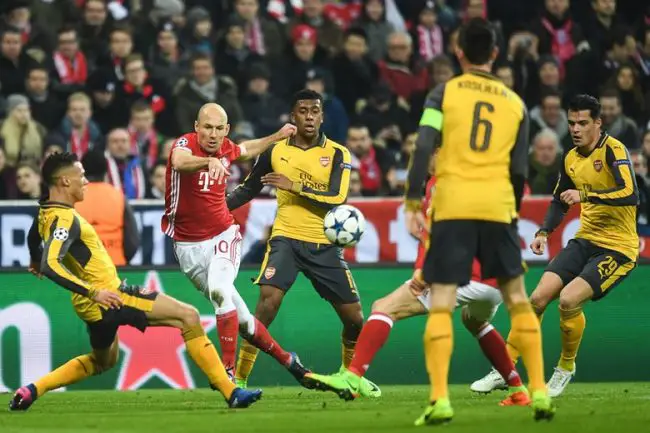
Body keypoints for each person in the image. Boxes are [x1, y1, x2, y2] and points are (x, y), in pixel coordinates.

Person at [10, 152, 262, 412]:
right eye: (81, 176)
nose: (85, 181)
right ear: (65, 181)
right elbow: (51, 264)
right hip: (109, 296)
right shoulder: (66, 219)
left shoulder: (47, 211)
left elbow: (34, 234)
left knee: (103, 361)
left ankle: (32, 390)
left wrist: (34, 258)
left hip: (89, 306)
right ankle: (231, 391)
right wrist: (93, 291)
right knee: (189, 317)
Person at [402, 18, 554, 425]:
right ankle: (540, 392)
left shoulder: (443, 92)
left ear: (459, 52)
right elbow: (519, 170)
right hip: (498, 205)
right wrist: (511, 211)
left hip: (454, 205)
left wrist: (413, 200)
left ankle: (440, 399)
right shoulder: (515, 103)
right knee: (518, 299)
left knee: (441, 303)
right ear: (495, 54)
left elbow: (424, 145)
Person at [302, 153, 530, 407]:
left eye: (425, 154)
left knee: (384, 308)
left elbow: (440, 232)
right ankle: (518, 389)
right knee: (474, 320)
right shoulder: (464, 179)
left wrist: (424, 271)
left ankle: (352, 378)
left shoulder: (443, 183)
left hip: (467, 273)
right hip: (497, 280)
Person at [227, 89, 380, 398]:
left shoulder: (338, 153)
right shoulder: (275, 151)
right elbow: (247, 189)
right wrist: (212, 209)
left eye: (315, 111)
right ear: (292, 117)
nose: (309, 116)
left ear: (322, 116)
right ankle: (238, 380)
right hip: (286, 239)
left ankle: (348, 376)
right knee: (266, 304)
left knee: (354, 319)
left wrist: (294, 185)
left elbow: (337, 197)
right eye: (303, 111)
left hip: (324, 244)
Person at [493, 94, 638, 398]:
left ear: (598, 123)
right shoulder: (570, 157)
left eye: (583, 123)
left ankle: (565, 367)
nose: (575, 129)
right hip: (585, 239)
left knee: (569, 300)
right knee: (536, 298)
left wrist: (586, 196)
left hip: (618, 248)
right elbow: (560, 200)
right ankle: (504, 369)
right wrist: (544, 232)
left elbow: (630, 193)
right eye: (571, 123)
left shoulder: (614, 150)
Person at [163, 103, 310, 384]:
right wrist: (208, 162)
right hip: (188, 248)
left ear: (226, 129)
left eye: (219, 129)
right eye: (207, 127)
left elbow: (245, 149)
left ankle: (228, 374)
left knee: (220, 291)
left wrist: (276, 136)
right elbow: (180, 162)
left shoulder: (225, 147)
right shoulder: (185, 144)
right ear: (196, 127)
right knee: (243, 321)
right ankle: (290, 362)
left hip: (223, 235)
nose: (213, 134)